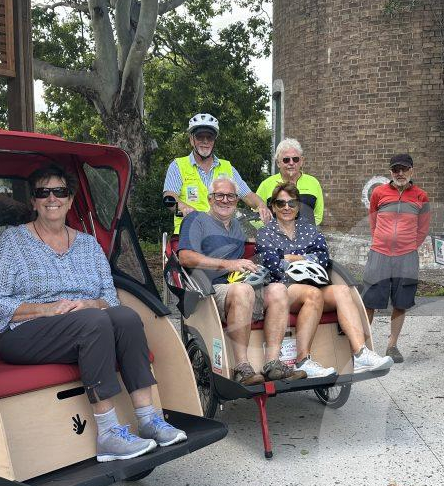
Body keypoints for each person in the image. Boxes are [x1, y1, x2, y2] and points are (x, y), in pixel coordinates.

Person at [0, 165, 186, 461]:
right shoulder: (13, 242)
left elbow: (109, 299)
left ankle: (148, 419)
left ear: (70, 199)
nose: (52, 198)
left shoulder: (88, 245)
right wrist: (47, 310)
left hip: (86, 326)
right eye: (43, 192)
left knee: (125, 317)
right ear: (33, 201)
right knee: (94, 321)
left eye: (60, 192)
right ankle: (109, 434)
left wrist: (93, 304)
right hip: (25, 334)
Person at [177, 176, 306, 384]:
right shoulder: (196, 220)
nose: (225, 200)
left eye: (230, 196)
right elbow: (185, 257)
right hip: (208, 291)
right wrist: (229, 264)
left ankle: (273, 363)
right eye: (220, 195)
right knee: (242, 290)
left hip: (242, 286)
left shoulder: (237, 226)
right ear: (210, 199)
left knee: (279, 289)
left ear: (237, 201)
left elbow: (264, 241)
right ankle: (242, 368)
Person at [256, 183, 394, 376]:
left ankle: (360, 353)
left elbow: (322, 258)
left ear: (298, 207)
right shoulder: (265, 233)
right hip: (283, 287)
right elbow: (271, 263)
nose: (286, 207)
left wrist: (290, 258)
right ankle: (302, 361)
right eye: (281, 203)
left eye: (292, 203)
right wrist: (304, 258)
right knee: (312, 294)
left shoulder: (310, 230)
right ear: (273, 207)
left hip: (314, 282)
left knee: (342, 291)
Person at [362, 154, 431, 363]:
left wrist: (408, 246)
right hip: (379, 254)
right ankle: (363, 347)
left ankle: (392, 346)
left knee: (400, 303)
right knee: (370, 302)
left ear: (412, 171)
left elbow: (423, 228)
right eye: (395, 170)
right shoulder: (379, 193)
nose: (400, 173)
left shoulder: (421, 197)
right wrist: (381, 242)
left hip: (406, 257)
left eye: (404, 169)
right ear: (390, 172)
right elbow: (373, 222)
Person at [163, 113, 271, 234]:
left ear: (214, 140)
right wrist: (183, 208)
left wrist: (261, 205)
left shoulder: (227, 168)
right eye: (199, 137)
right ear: (191, 140)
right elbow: (170, 197)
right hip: (188, 233)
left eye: (209, 137)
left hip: (222, 234)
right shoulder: (178, 166)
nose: (205, 141)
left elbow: (247, 195)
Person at [255, 138, 325, 225]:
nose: (291, 163)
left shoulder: (313, 183)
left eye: (295, 159)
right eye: (286, 160)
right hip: (275, 237)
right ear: (278, 163)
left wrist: (307, 233)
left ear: (302, 161)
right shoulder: (266, 185)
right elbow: (256, 216)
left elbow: (318, 215)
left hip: (306, 236)